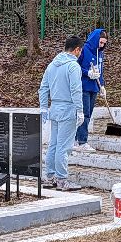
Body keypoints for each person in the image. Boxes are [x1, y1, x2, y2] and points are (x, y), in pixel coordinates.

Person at [38, 34, 85, 188]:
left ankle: (50, 177)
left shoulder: (52, 65)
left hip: (55, 109)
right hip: (68, 109)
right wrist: (80, 110)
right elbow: (76, 90)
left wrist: (44, 107)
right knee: (63, 147)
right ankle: (62, 179)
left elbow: (43, 88)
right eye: (81, 51)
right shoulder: (73, 66)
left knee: (54, 145)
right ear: (77, 50)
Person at [75, 27, 106, 151]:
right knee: (84, 114)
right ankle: (81, 141)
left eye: (104, 43)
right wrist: (86, 73)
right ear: (95, 39)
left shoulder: (100, 53)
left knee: (89, 113)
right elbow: (75, 66)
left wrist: (102, 86)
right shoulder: (84, 50)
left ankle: (79, 139)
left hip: (94, 87)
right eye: (101, 42)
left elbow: (100, 71)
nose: (102, 45)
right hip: (83, 86)